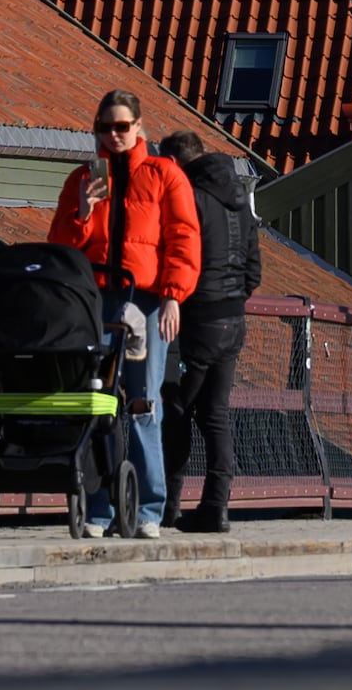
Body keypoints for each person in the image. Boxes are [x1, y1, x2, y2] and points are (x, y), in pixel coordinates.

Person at [46, 87, 202, 537]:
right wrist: (82, 211)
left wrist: (173, 295)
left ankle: (149, 508)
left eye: (122, 126)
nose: (114, 135)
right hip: (95, 301)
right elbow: (61, 248)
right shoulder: (82, 178)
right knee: (98, 401)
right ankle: (100, 509)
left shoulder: (164, 174)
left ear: (138, 128)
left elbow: (183, 237)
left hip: (146, 302)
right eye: (105, 127)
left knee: (143, 401)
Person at [158, 126, 261, 535]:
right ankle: (216, 507)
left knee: (177, 411)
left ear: (176, 163)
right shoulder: (240, 201)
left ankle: (168, 504)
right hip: (234, 319)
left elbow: (177, 254)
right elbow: (254, 270)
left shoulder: (191, 200)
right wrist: (233, 296)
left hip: (198, 317)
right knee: (216, 416)